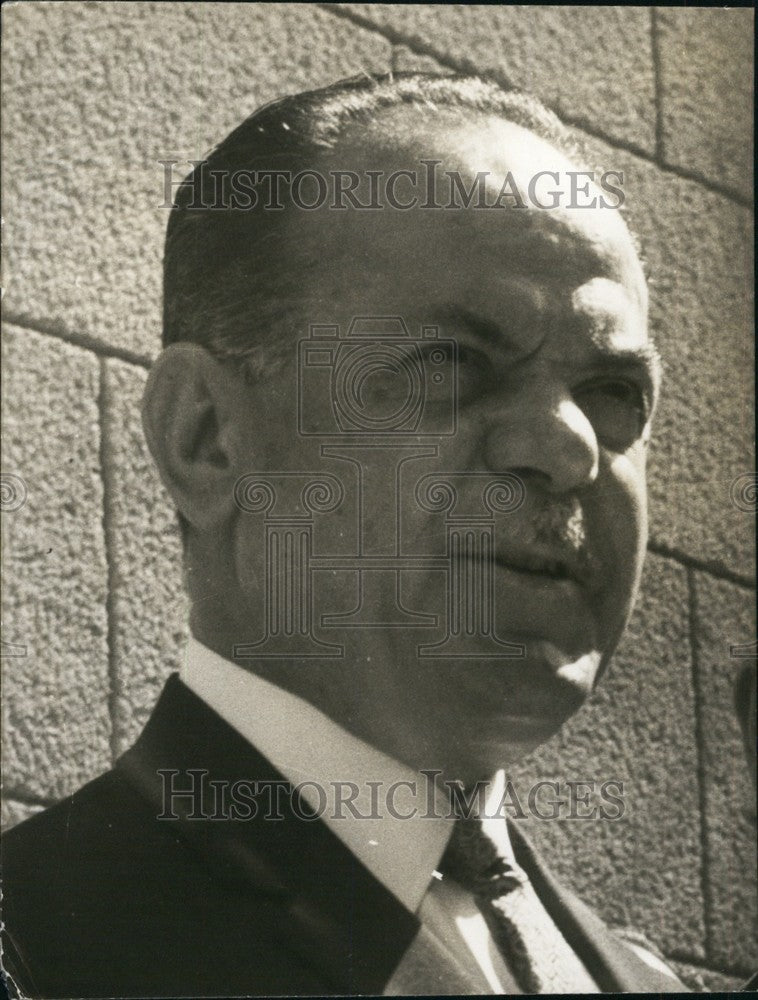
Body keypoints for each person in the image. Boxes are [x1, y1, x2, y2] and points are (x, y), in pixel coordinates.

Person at [1, 73, 686, 996]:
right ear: (206, 438)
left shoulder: (645, 981)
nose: (570, 449)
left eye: (613, 394)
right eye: (451, 363)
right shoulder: (34, 944)